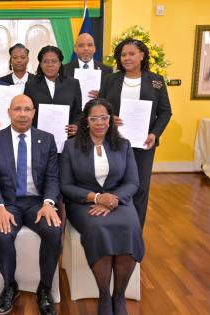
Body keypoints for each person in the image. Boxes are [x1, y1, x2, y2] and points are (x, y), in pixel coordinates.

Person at [60, 99, 144, 315]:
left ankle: (119, 296)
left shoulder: (123, 145)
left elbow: (133, 182)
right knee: (98, 228)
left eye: (104, 118)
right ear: (86, 121)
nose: (100, 123)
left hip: (119, 200)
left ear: (111, 120)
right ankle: (104, 296)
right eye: (94, 118)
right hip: (83, 202)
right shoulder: (71, 146)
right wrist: (97, 198)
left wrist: (112, 199)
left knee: (130, 227)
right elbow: (66, 186)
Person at [0, 94, 62, 315]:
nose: (22, 114)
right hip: (8, 203)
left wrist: (48, 202)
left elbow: (52, 177)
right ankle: (10, 286)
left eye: (27, 109)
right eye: (17, 109)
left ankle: (45, 288)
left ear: (34, 113)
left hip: (38, 202)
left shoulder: (46, 139)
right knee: (1, 234)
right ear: (9, 112)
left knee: (54, 231)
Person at [99, 38, 172, 228]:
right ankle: (113, 227)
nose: (127, 58)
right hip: (113, 141)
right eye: (123, 55)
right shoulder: (110, 80)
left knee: (139, 188)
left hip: (144, 144)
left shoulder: (156, 81)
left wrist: (155, 134)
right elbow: (99, 107)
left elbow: (165, 111)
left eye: (132, 54)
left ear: (142, 55)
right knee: (112, 183)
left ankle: (135, 231)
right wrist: (108, 117)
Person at [24, 45, 82, 137]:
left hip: (66, 139)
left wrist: (76, 125)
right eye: (45, 61)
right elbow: (27, 111)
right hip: (37, 138)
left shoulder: (73, 83)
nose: (50, 65)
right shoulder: (30, 85)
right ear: (40, 64)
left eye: (54, 61)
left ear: (60, 63)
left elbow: (78, 113)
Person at [64, 33, 113, 99]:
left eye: (90, 45)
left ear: (94, 48)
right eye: (81, 45)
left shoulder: (107, 70)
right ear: (75, 49)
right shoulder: (64, 69)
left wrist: (102, 95)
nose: (86, 48)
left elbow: (111, 97)